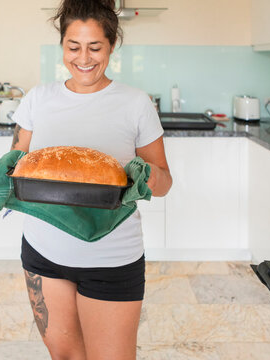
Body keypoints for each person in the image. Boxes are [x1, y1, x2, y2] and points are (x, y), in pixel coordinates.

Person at [11, 0, 173, 358]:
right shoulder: (38, 99)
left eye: (95, 47)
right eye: (73, 47)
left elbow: (165, 180)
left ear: (111, 46)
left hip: (112, 258)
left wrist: (145, 179)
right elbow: (18, 166)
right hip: (43, 253)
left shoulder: (135, 103)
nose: (83, 57)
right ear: (62, 46)